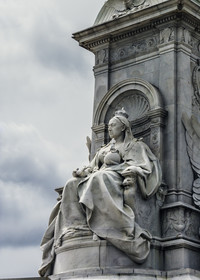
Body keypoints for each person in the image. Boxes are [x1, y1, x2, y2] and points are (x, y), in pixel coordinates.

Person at [39, 108, 161, 276]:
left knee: (100, 178)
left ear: (123, 127)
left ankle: (108, 226)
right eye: (109, 125)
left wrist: (126, 168)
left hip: (116, 178)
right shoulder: (104, 148)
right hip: (100, 176)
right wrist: (82, 170)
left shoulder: (134, 145)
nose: (109, 129)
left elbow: (144, 166)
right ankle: (76, 226)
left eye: (113, 125)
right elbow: (92, 166)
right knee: (72, 184)